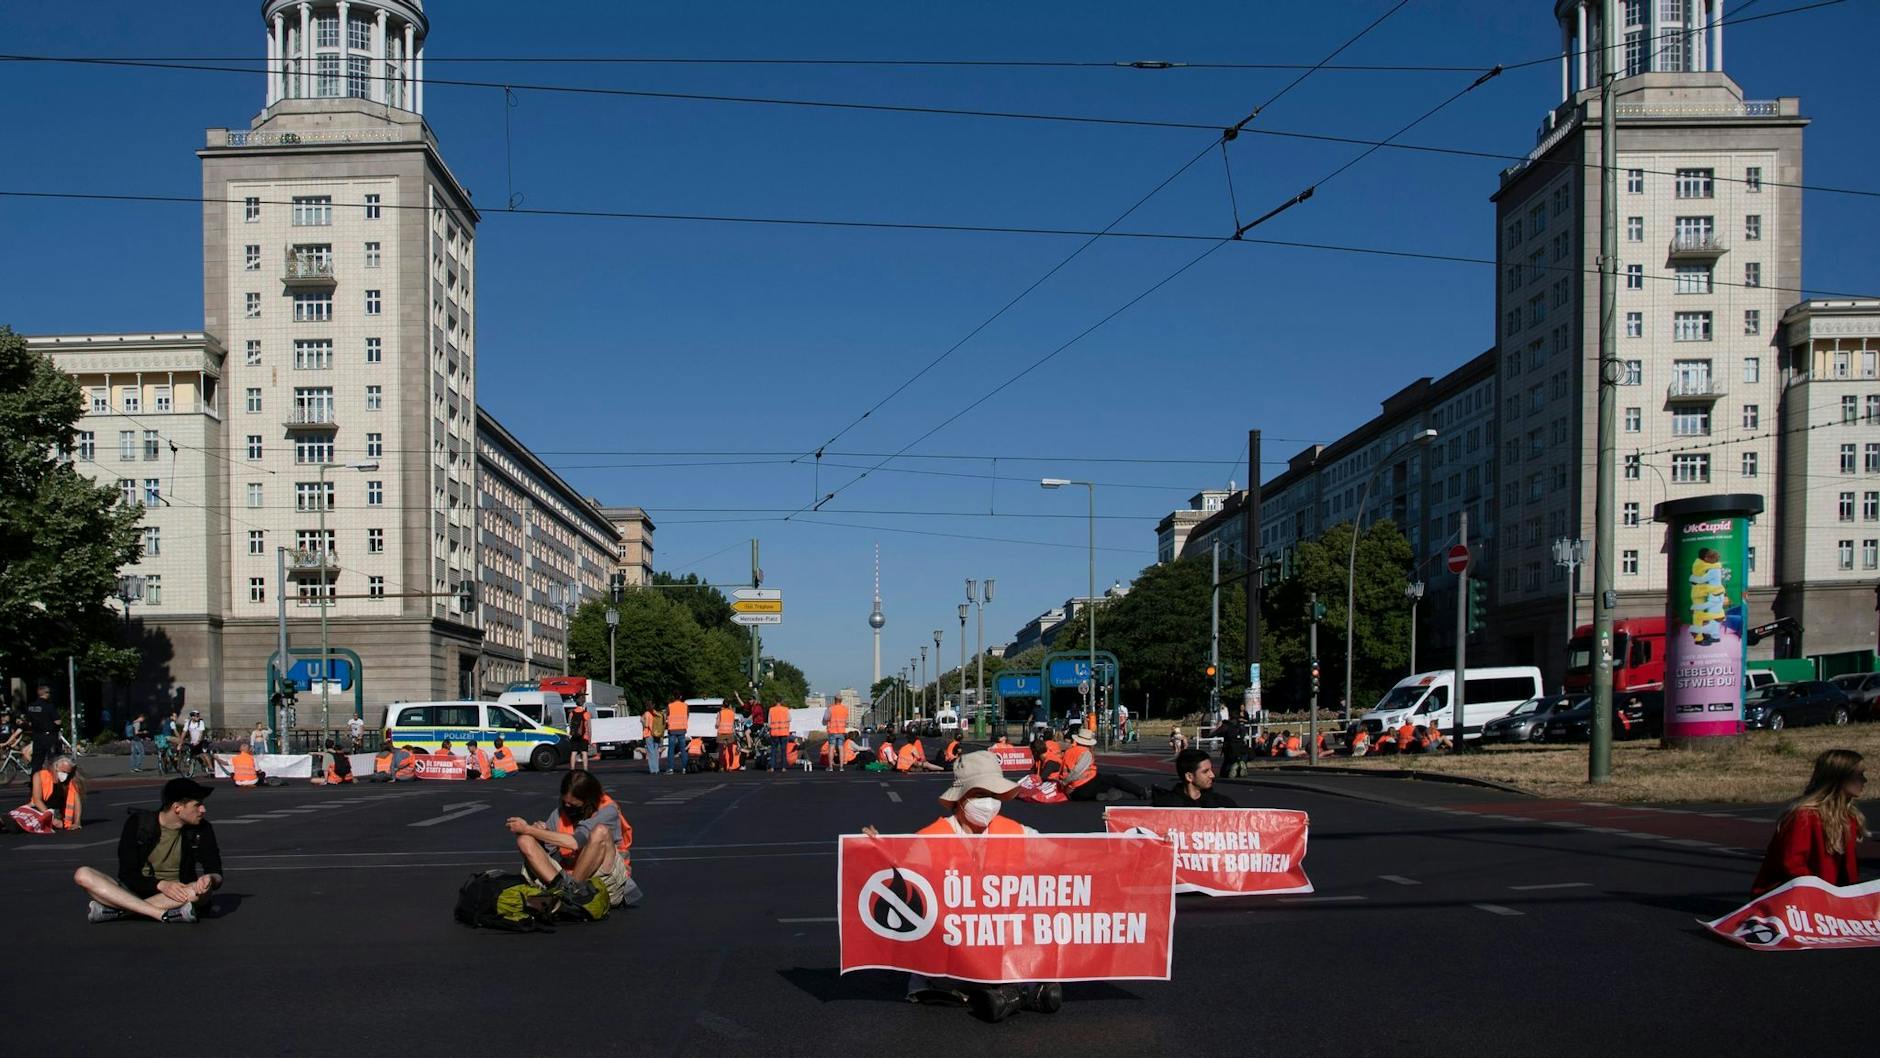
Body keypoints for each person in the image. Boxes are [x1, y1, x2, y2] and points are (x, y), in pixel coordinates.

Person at [861, 752, 1061, 1022]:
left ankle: (1006, 995)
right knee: (957, 976)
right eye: (980, 794)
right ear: (961, 798)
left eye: (994, 794)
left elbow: (1062, 856)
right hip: (950, 950)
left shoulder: (1014, 832)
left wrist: (1116, 849)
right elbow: (902, 880)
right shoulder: (931, 838)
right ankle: (1017, 995)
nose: (989, 803)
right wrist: (875, 850)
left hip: (996, 943)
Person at [75, 776, 222, 924]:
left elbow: (215, 869)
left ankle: (122, 911)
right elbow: (127, 874)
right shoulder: (139, 823)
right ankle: (160, 914)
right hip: (136, 890)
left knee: (199, 892)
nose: (203, 810)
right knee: (83, 874)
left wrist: (210, 879)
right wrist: (161, 884)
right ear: (177, 808)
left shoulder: (202, 829)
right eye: (197, 805)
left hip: (177, 894)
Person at [507, 770, 640, 910]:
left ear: (589, 801)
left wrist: (528, 829)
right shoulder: (559, 814)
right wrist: (539, 833)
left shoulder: (608, 811)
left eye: (573, 805)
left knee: (600, 831)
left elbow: (575, 842)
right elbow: (549, 852)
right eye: (565, 803)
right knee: (525, 840)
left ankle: (569, 894)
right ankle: (565, 896)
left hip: (605, 881)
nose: (568, 807)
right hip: (565, 879)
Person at [1751, 749, 1868, 896]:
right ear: (1840, 777)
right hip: (1789, 899)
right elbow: (1792, 865)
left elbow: (1849, 873)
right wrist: (1821, 894)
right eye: (1859, 775)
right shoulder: (1803, 816)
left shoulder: (1848, 817)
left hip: (1827, 899)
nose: (1865, 780)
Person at [1062, 730, 1148, 802]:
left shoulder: (1069, 751)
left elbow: (1065, 769)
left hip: (1075, 794)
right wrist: (1069, 785)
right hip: (1082, 786)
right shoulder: (1085, 753)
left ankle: (1100, 795)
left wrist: (1064, 784)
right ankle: (1141, 792)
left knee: (1101, 780)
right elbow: (1077, 771)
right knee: (1114, 779)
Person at [1152, 748, 1238, 807]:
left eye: (1211, 770)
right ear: (1189, 777)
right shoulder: (1165, 806)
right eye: (1205, 771)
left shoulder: (1223, 804)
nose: (1212, 775)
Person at [29, 755, 84, 830]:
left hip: (56, 813)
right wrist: (51, 818)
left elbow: (77, 802)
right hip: (39, 809)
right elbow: (37, 800)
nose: (65, 775)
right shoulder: (39, 776)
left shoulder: (70, 782)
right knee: (20, 820)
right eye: (63, 772)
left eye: (68, 773)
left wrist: (77, 822)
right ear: (55, 767)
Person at [22, 684, 59, 772]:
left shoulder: (31, 706)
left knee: (36, 761)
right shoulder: (49, 706)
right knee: (52, 760)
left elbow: (29, 722)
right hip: (49, 736)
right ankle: (52, 780)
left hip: (37, 736)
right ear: (46, 693)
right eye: (49, 693)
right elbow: (58, 721)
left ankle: (35, 781)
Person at [566, 695, 592, 772]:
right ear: (583, 703)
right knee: (584, 753)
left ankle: (572, 769)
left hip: (574, 736)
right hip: (584, 736)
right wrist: (590, 739)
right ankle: (585, 769)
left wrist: (571, 734)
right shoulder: (586, 713)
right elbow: (589, 727)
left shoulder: (572, 713)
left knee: (573, 752)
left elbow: (570, 724)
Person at [665, 698, 690, 778]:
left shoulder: (670, 706)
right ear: (680, 697)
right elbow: (687, 715)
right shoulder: (685, 706)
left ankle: (670, 768)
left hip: (672, 730)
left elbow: (666, 716)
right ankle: (684, 768)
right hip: (682, 729)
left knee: (671, 749)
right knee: (683, 749)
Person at [824, 698, 850, 770]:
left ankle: (830, 767)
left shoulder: (830, 708)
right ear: (841, 700)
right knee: (841, 748)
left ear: (834, 700)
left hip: (832, 731)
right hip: (841, 731)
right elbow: (846, 720)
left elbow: (826, 718)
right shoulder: (845, 709)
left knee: (831, 747)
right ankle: (841, 767)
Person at [767, 701, 792, 773]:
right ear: (781, 702)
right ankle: (784, 767)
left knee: (773, 750)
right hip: (784, 732)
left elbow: (769, 723)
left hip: (774, 733)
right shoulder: (785, 709)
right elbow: (790, 719)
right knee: (783, 750)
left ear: (775, 702)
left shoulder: (771, 710)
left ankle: (772, 767)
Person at [640, 703, 664, 775]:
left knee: (651, 752)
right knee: (656, 752)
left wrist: (642, 720)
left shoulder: (647, 713)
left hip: (649, 734)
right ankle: (657, 769)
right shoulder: (656, 713)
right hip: (657, 734)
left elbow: (646, 725)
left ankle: (653, 770)